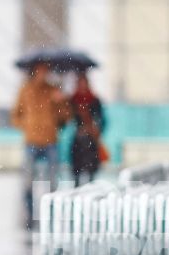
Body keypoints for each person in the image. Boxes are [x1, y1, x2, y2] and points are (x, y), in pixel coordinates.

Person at [10, 64, 70, 219]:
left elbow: (65, 119)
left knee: (52, 180)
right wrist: (27, 125)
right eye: (40, 70)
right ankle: (29, 213)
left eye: (46, 70)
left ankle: (50, 213)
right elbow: (16, 115)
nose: (43, 74)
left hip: (51, 141)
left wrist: (60, 102)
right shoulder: (26, 90)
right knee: (28, 181)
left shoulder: (53, 90)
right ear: (34, 72)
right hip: (31, 141)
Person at [67, 71, 107, 185]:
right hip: (78, 140)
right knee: (77, 173)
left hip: (91, 139)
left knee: (91, 174)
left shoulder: (94, 100)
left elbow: (102, 120)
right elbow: (67, 118)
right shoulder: (72, 100)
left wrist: (94, 127)